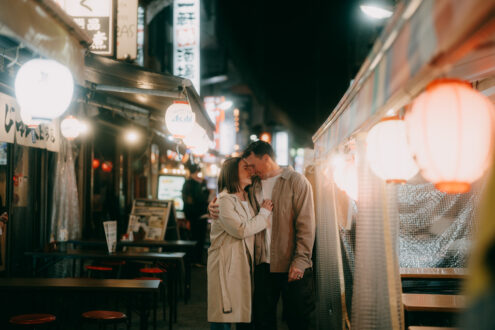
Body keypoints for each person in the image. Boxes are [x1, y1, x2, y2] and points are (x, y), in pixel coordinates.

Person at [209, 141, 316, 330]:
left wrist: (300, 261)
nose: (250, 170)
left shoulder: (296, 181)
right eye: (246, 167)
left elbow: (306, 226)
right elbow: (231, 200)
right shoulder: (252, 185)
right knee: (261, 321)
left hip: (291, 263)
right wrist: (212, 207)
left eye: (251, 165)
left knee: (299, 319)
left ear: (265, 158)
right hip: (261, 266)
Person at [208, 157, 273, 330]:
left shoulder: (247, 196)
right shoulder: (224, 200)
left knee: (237, 311)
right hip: (226, 263)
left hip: (242, 263)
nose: (250, 171)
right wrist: (264, 214)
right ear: (233, 173)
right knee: (223, 314)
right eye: (245, 168)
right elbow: (241, 230)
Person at [182, 163, 210, 265]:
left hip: (193, 215)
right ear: (197, 172)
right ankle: (196, 260)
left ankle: (194, 260)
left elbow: (186, 201)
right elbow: (201, 199)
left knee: (195, 237)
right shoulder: (197, 184)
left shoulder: (187, 183)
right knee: (198, 238)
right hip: (198, 215)